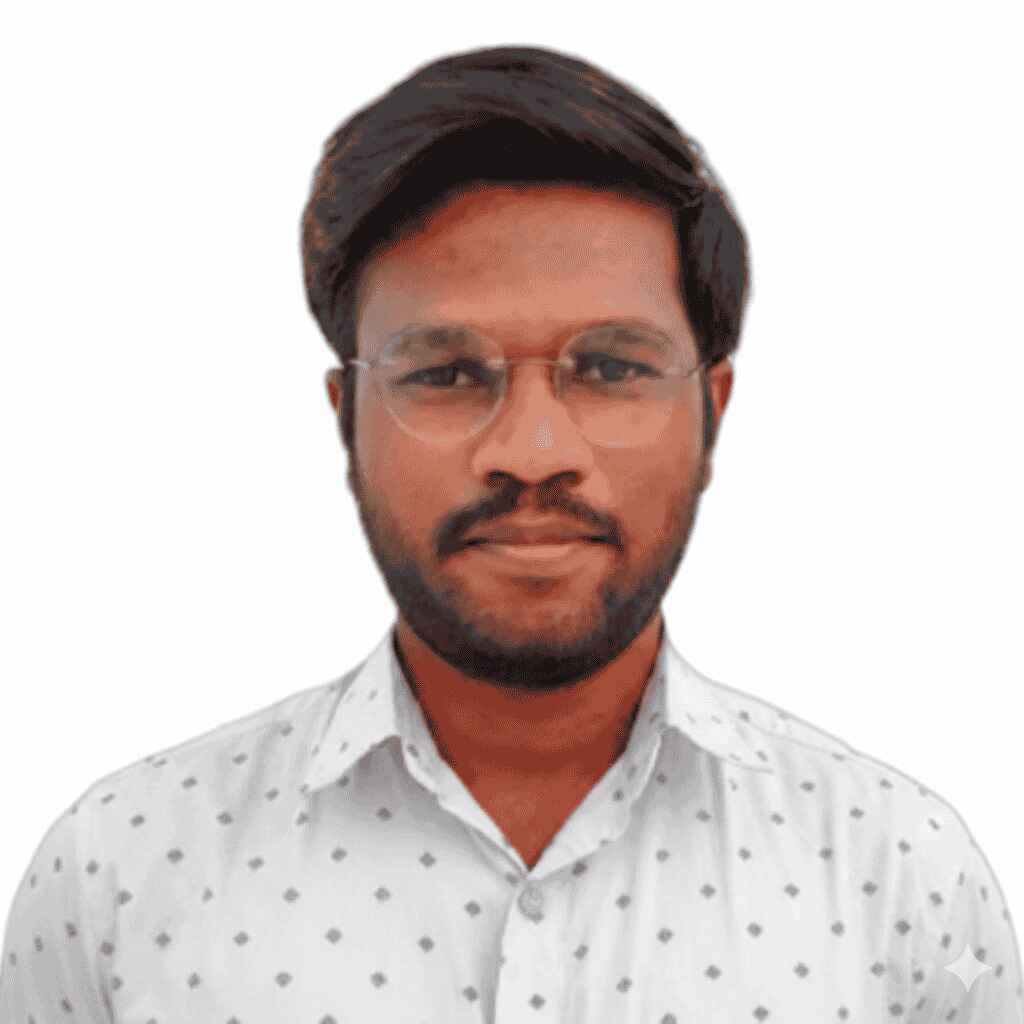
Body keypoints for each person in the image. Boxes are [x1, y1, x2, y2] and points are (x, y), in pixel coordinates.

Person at [1, 44, 1020, 1024]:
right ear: (346, 423)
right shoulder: (120, 876)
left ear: (711, 415)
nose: (532, 452)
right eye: (445, 373)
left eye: (612, 369)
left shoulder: (902, 877)